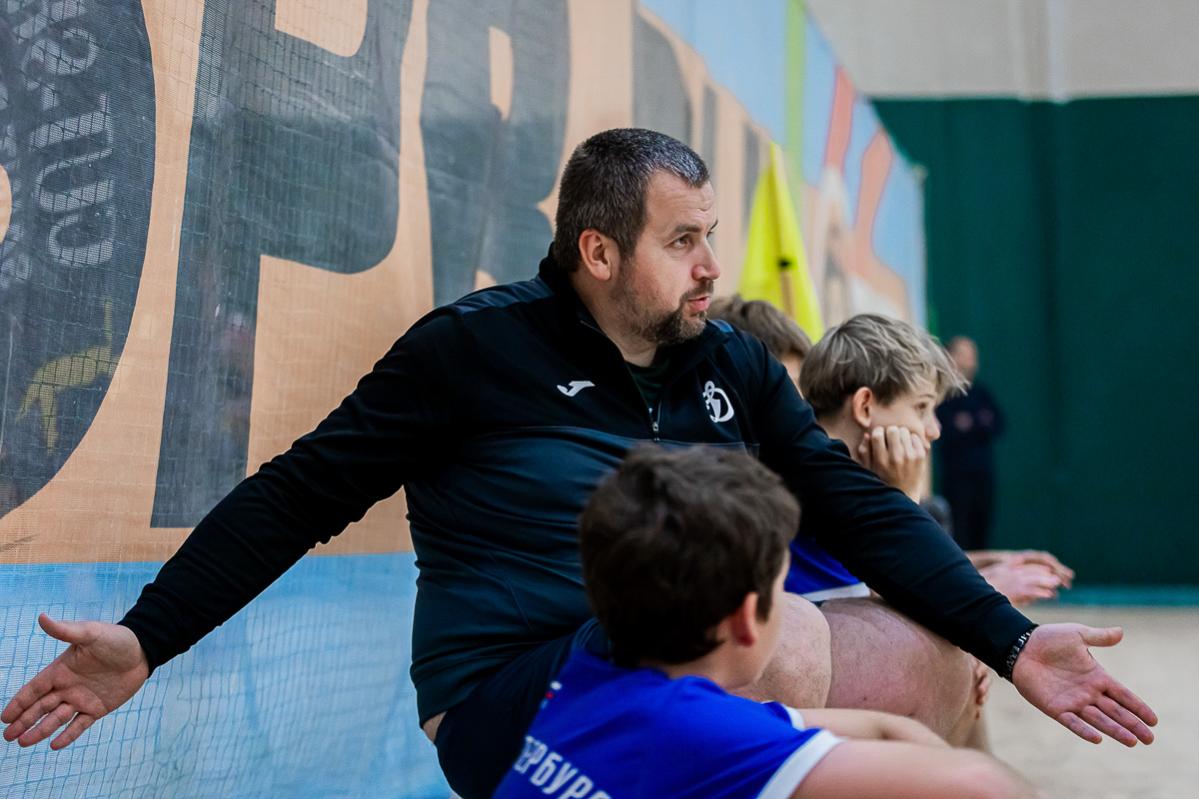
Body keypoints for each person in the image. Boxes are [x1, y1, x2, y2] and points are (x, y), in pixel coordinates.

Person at [2, 129, 1155, 799]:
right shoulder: (468, 351)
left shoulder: (729, 365)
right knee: (798, 639)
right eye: (682, 241)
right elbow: (296, 495)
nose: (710, 268)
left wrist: (1010, 644)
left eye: (711, 235)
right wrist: (148, 635)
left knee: (933, 654)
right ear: (597, 251)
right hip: (515, 688)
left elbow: (852, 507)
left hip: (671, 660)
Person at [495, 445, 1037, 799]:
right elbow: (980, 785)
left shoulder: (582, 684)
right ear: (745, 621)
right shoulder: (697, 734)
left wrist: (912, 739)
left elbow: (880, 729)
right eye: (782, 590)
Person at [936, 336, 1004, 551]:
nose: (969, 361)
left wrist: (971, 424)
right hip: (956, 476)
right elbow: (948, 428)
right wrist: (975, 423)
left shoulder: (982, 393)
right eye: (963, 355)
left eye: (972, 356)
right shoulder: (942, 395)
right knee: (959, 529)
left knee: (981, 526)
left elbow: (998, 423)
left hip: (982, 474)